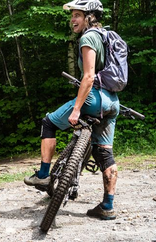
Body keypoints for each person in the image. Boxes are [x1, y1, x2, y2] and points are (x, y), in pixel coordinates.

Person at [24, 0, 120, 220]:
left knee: (49, 122)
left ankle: (43, 175)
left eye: (77, 15)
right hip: (112, 102)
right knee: (104, 153)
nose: (72, 20)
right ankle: (107, 206)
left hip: (93, 98)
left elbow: (88, 76)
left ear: (89, 17)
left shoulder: (88, 38)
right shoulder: (106, 36)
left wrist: (77, 109)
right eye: (72, 15)